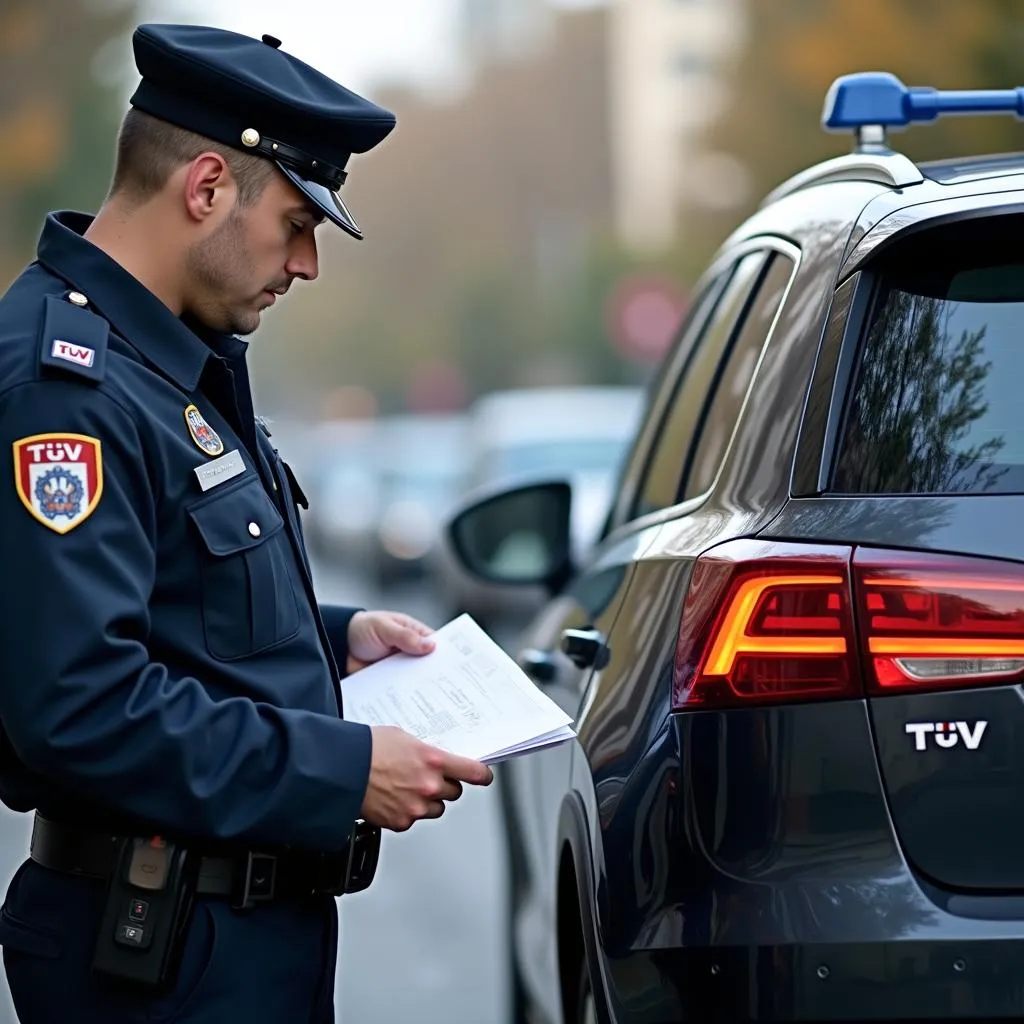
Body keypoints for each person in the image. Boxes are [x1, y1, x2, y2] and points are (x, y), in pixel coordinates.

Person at [0, 22, 493, 1023]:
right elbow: (81, 705)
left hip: (217, 940)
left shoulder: (170, 360)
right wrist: (345, 770)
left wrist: (335, 634)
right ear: (208, 187)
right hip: (152, 954)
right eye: (297, 223)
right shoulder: (66, 389)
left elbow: (173, 597)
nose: (307, 263)